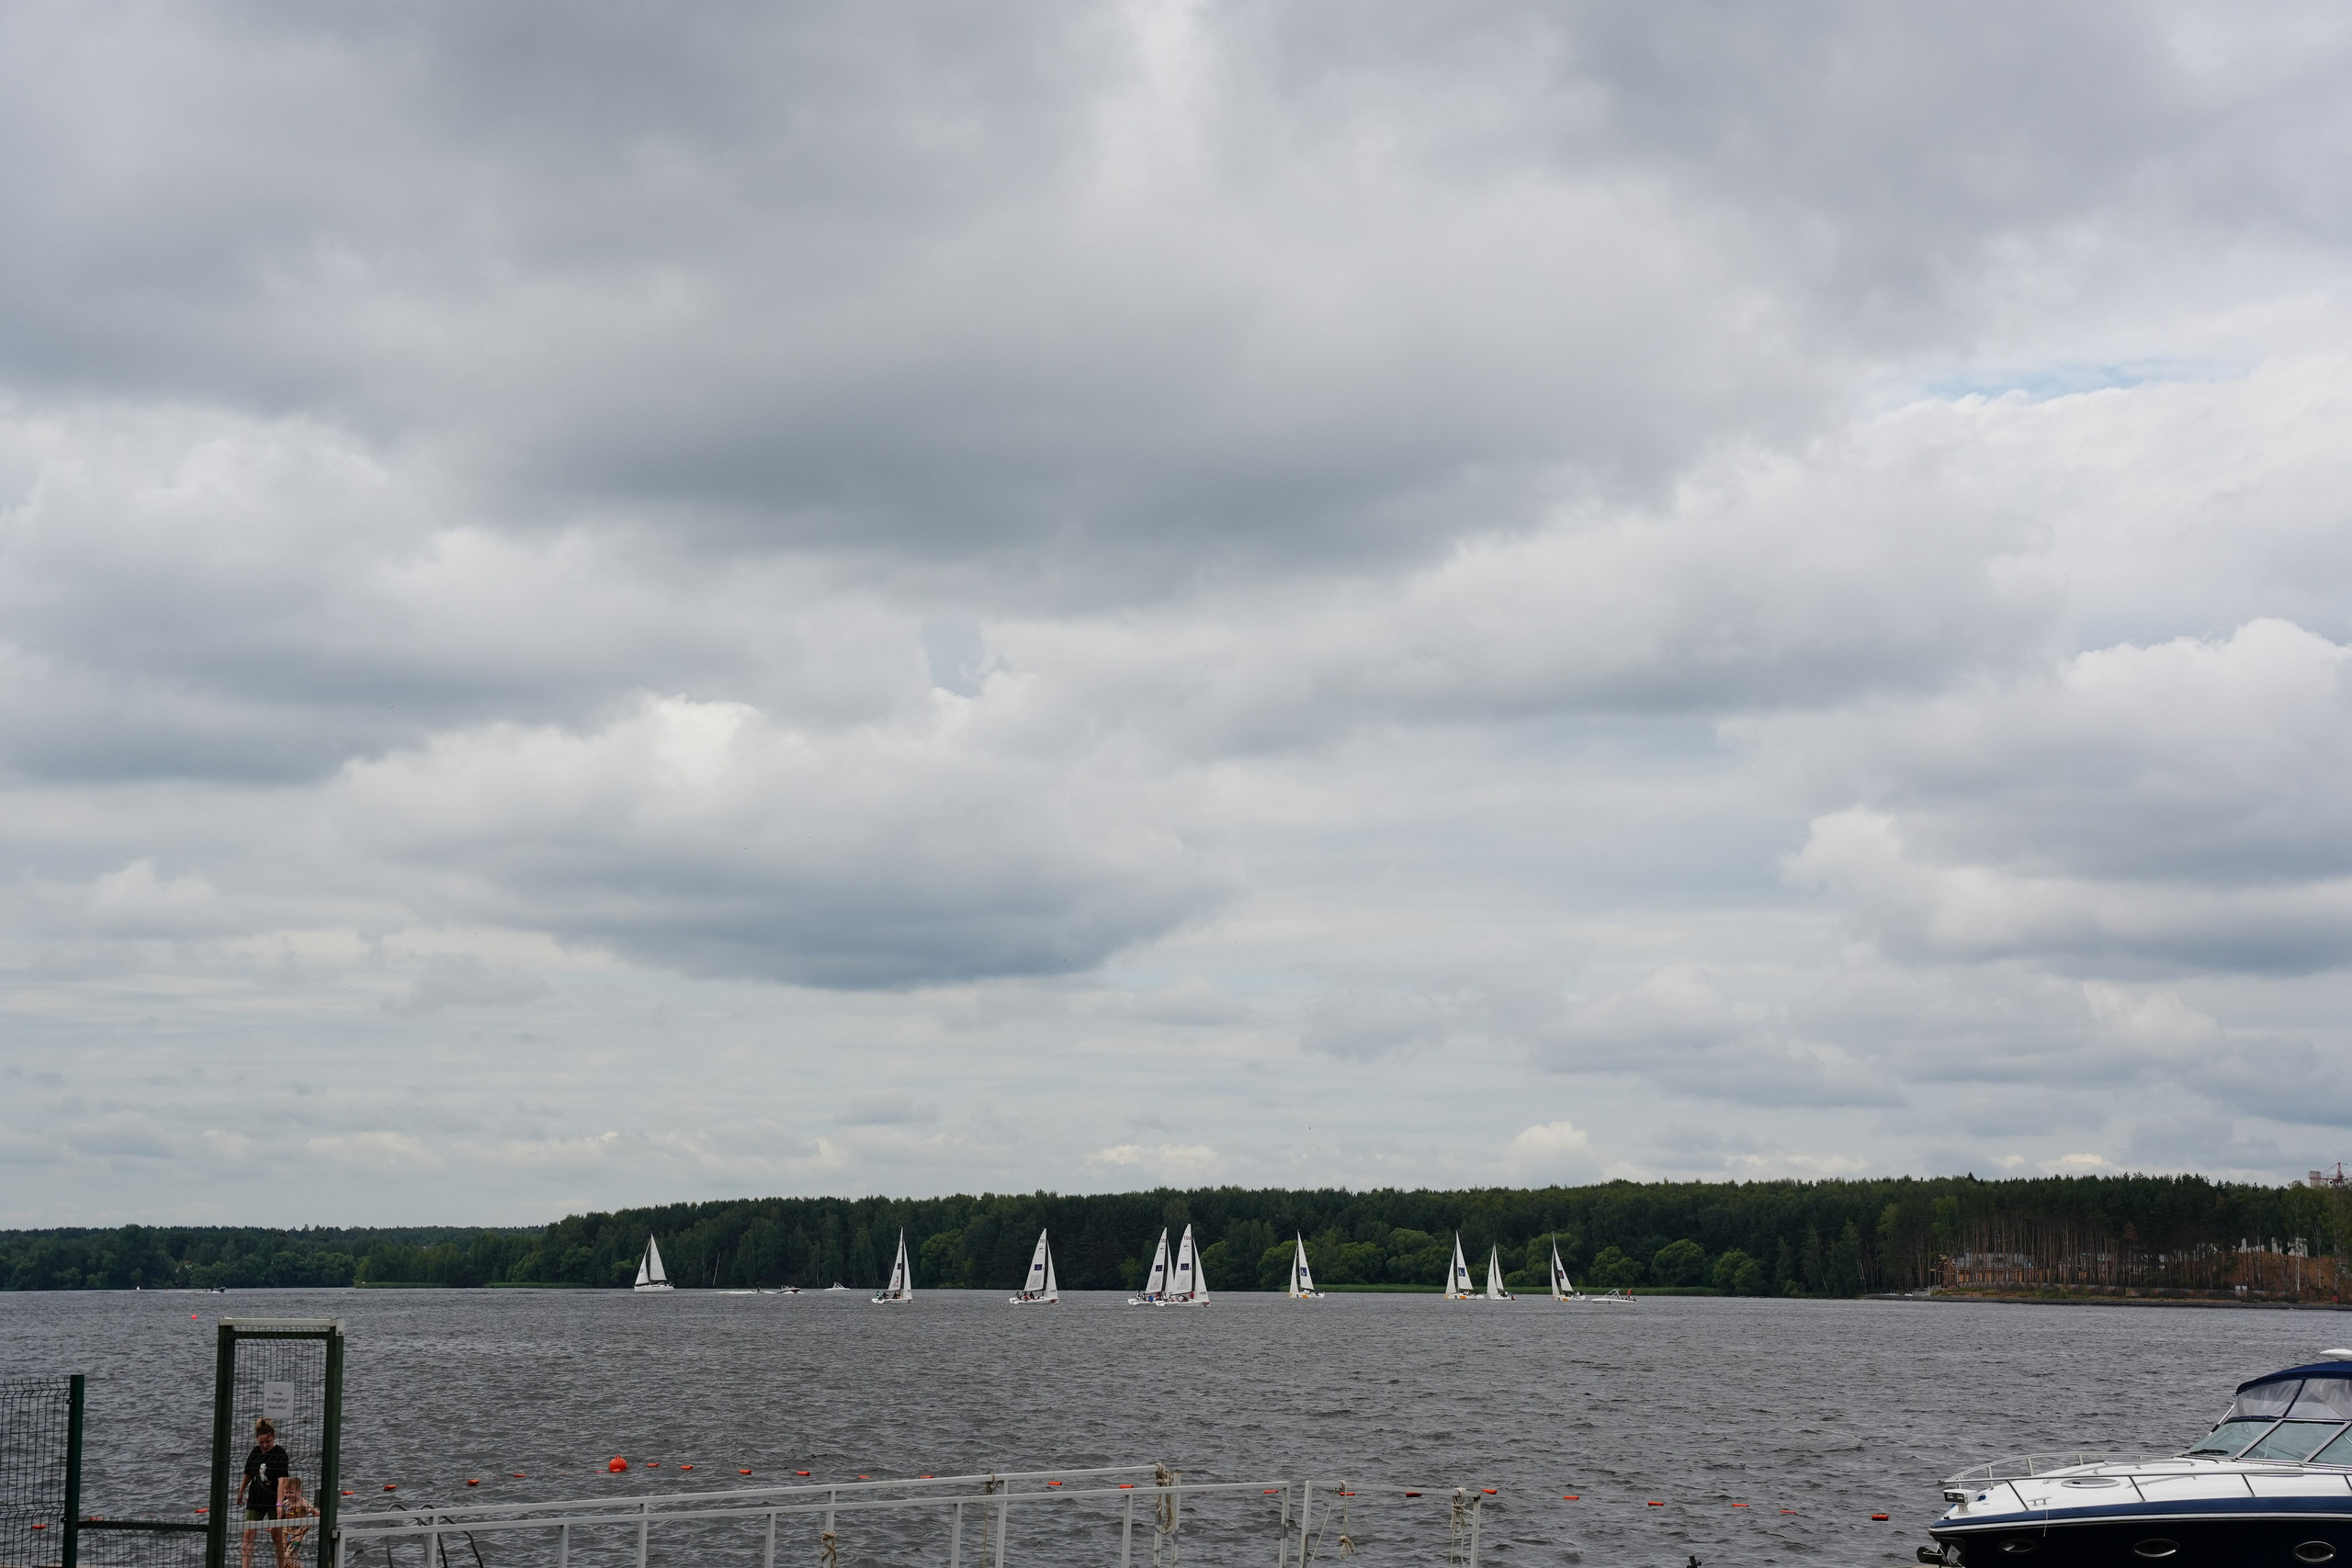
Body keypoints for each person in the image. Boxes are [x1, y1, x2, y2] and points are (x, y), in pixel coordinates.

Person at [236, 1419, 292, 1568]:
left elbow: (282, 1481)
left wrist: (280, 1504)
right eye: (261, 1442)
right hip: (256, 1498)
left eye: (268, 1441)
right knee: (248, 1533)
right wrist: (241, 1492)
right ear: (257, 1440)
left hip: (274, 1499)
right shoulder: (255, 1452)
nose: (265, 1445)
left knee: (277, 1536)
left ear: (273, 1437)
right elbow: (248, 1474)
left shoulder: (280, 1454)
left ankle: (281, 1566)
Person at [273, 1477, 319, 1568]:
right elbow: (281, 1518)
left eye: (291, 1492)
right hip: (285, 1535)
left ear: (299, 1492)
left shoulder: (302, 1503)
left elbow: (316, 1514)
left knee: (288, 1556)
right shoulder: (285, 1503)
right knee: (292, 1559)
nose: (288, 1495)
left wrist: (307, 1527)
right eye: (286, 1492)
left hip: (297, 1536)